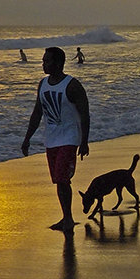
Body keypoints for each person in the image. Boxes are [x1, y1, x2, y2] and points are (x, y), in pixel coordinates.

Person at [21, 47, 90, 231]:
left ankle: (68, 219)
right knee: (58, 180)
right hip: (51, 140)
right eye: (43, 61)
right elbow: (37, 113)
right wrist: (27, 138)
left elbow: (85, 114)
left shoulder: (72, 85)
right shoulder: (43, 84)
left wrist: (84, 141)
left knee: (62, 178)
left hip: (69, 138)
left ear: (58, 64)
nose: (43, 64)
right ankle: (66, 217)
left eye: (46, 61)